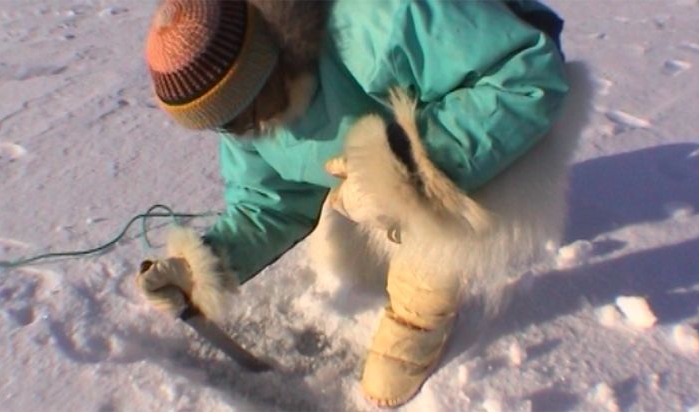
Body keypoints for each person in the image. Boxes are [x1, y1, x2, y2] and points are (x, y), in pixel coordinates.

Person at [136, 0, 568, 407]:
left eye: (242, 109)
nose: (245, 128)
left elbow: (528, 74)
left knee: (433, 233)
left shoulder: (380, 19)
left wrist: (404, 169)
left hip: (510, 106)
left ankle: (417, 318)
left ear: (264, 61)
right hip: (398, 130)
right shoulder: (245, 118)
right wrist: (204, 265)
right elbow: (270, 203)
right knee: (347, 242)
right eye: (223, 124)